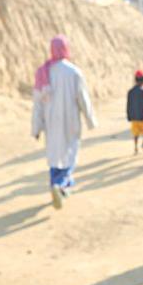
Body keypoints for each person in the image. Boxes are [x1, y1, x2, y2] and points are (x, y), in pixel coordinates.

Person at [31, 35, 96, 210]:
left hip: (51, 122)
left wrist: (36, 127)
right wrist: (90, 120)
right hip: (70, 120)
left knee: (54, 156)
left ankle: (57, 185)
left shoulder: (43, 73)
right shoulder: (74, 72)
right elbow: (83, 98)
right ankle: (60, 184)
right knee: (70, 154)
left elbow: (37, 103)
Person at [127, 70, 143, 154]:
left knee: (136, 133)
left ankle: (136, 147)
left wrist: (129, 115)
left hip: (134, 116)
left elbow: (128, 104)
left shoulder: (130, 91)